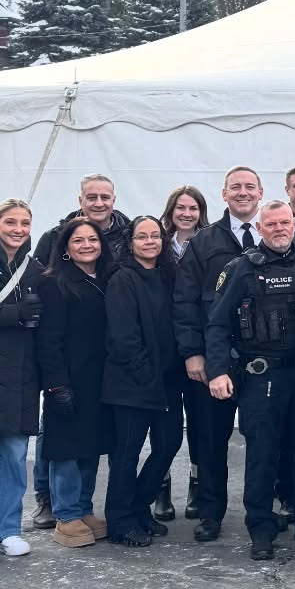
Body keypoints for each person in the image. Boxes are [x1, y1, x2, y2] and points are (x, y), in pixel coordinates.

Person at [204, 200, 295, 559]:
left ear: (294, 224)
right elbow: (217, 324)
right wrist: (218, 370)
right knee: (262, 454)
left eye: (284, 222)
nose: (279, 229)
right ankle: (260, 526)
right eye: (270, 224)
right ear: (259, 228)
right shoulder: (240, 268)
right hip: (261, 376)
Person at [174, 165, 265, 541]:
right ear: (224, 194)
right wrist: (193, 354)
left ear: (260, 193)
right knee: (212, 439)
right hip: (215, 359)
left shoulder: (277, 233)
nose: (242, 193)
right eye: (235, 187)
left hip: (265, 361)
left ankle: (265, 511)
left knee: (264, 438)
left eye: (249, 187)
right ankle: (211, 512)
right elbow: (184, 301)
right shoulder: (203, 242)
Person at [102, 216, 184, 548]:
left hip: (166, 380)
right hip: (131, 381)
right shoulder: (123, 279)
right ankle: (120, 522)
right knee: (126, 454)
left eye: (155, 236)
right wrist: (145, 376)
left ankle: (138, 508)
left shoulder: (168, 276)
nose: (149, 241)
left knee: (168, 445)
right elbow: (123, 337)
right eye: (142, 236)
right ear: (130, 242)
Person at [37, 217, 112, 547]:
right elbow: (48, 339)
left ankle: (83, 508)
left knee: (90, 447)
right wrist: (56, 385)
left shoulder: (107, 278)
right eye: (78, 241)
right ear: (65, 248)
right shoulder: (54, 283)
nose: (87, 245)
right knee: (66, 450)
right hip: (67, 380)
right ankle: (66, 515)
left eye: (92, 240)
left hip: (99, 380)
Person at [0, 198, 44, 563]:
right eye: (11, 222)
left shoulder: (32, 266)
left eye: (24, 223)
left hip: (21, 371)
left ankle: (9, 529)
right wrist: (14, 313)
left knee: (15, 455)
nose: (18, 229)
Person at [157, 184, 209, 522]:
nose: (186, 213)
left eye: (192, 208)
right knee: (165, 426)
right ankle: (161, 488)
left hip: (197, 349)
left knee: (201, 424)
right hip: (163, 350)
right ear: (171, 211)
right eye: (180, 207)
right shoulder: (157, 244)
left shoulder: (208, 243)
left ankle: (197, 485)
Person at [34, 173, 132, 274]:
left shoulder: (131, 237)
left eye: (105, 198)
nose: (99, 204)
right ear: (81, 201)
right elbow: (37, 279)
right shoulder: (54, 237)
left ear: (113, 200)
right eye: (92, 198)